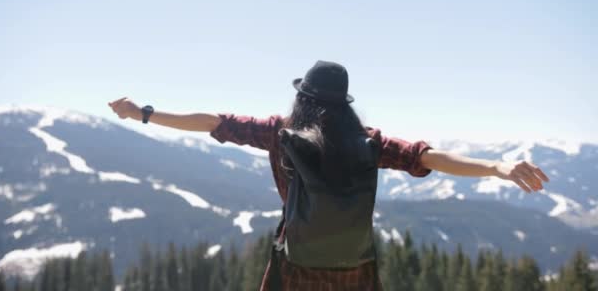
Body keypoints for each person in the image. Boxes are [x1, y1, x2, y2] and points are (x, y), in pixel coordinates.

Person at [108, 60, 549, 290]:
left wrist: (145, 113)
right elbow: (428, 157)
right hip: (355, 266)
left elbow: (212, 121)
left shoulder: (279, 134)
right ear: (345, 104)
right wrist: (497, 167)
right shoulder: (369, 140)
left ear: (302, 98)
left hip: (298, 263)